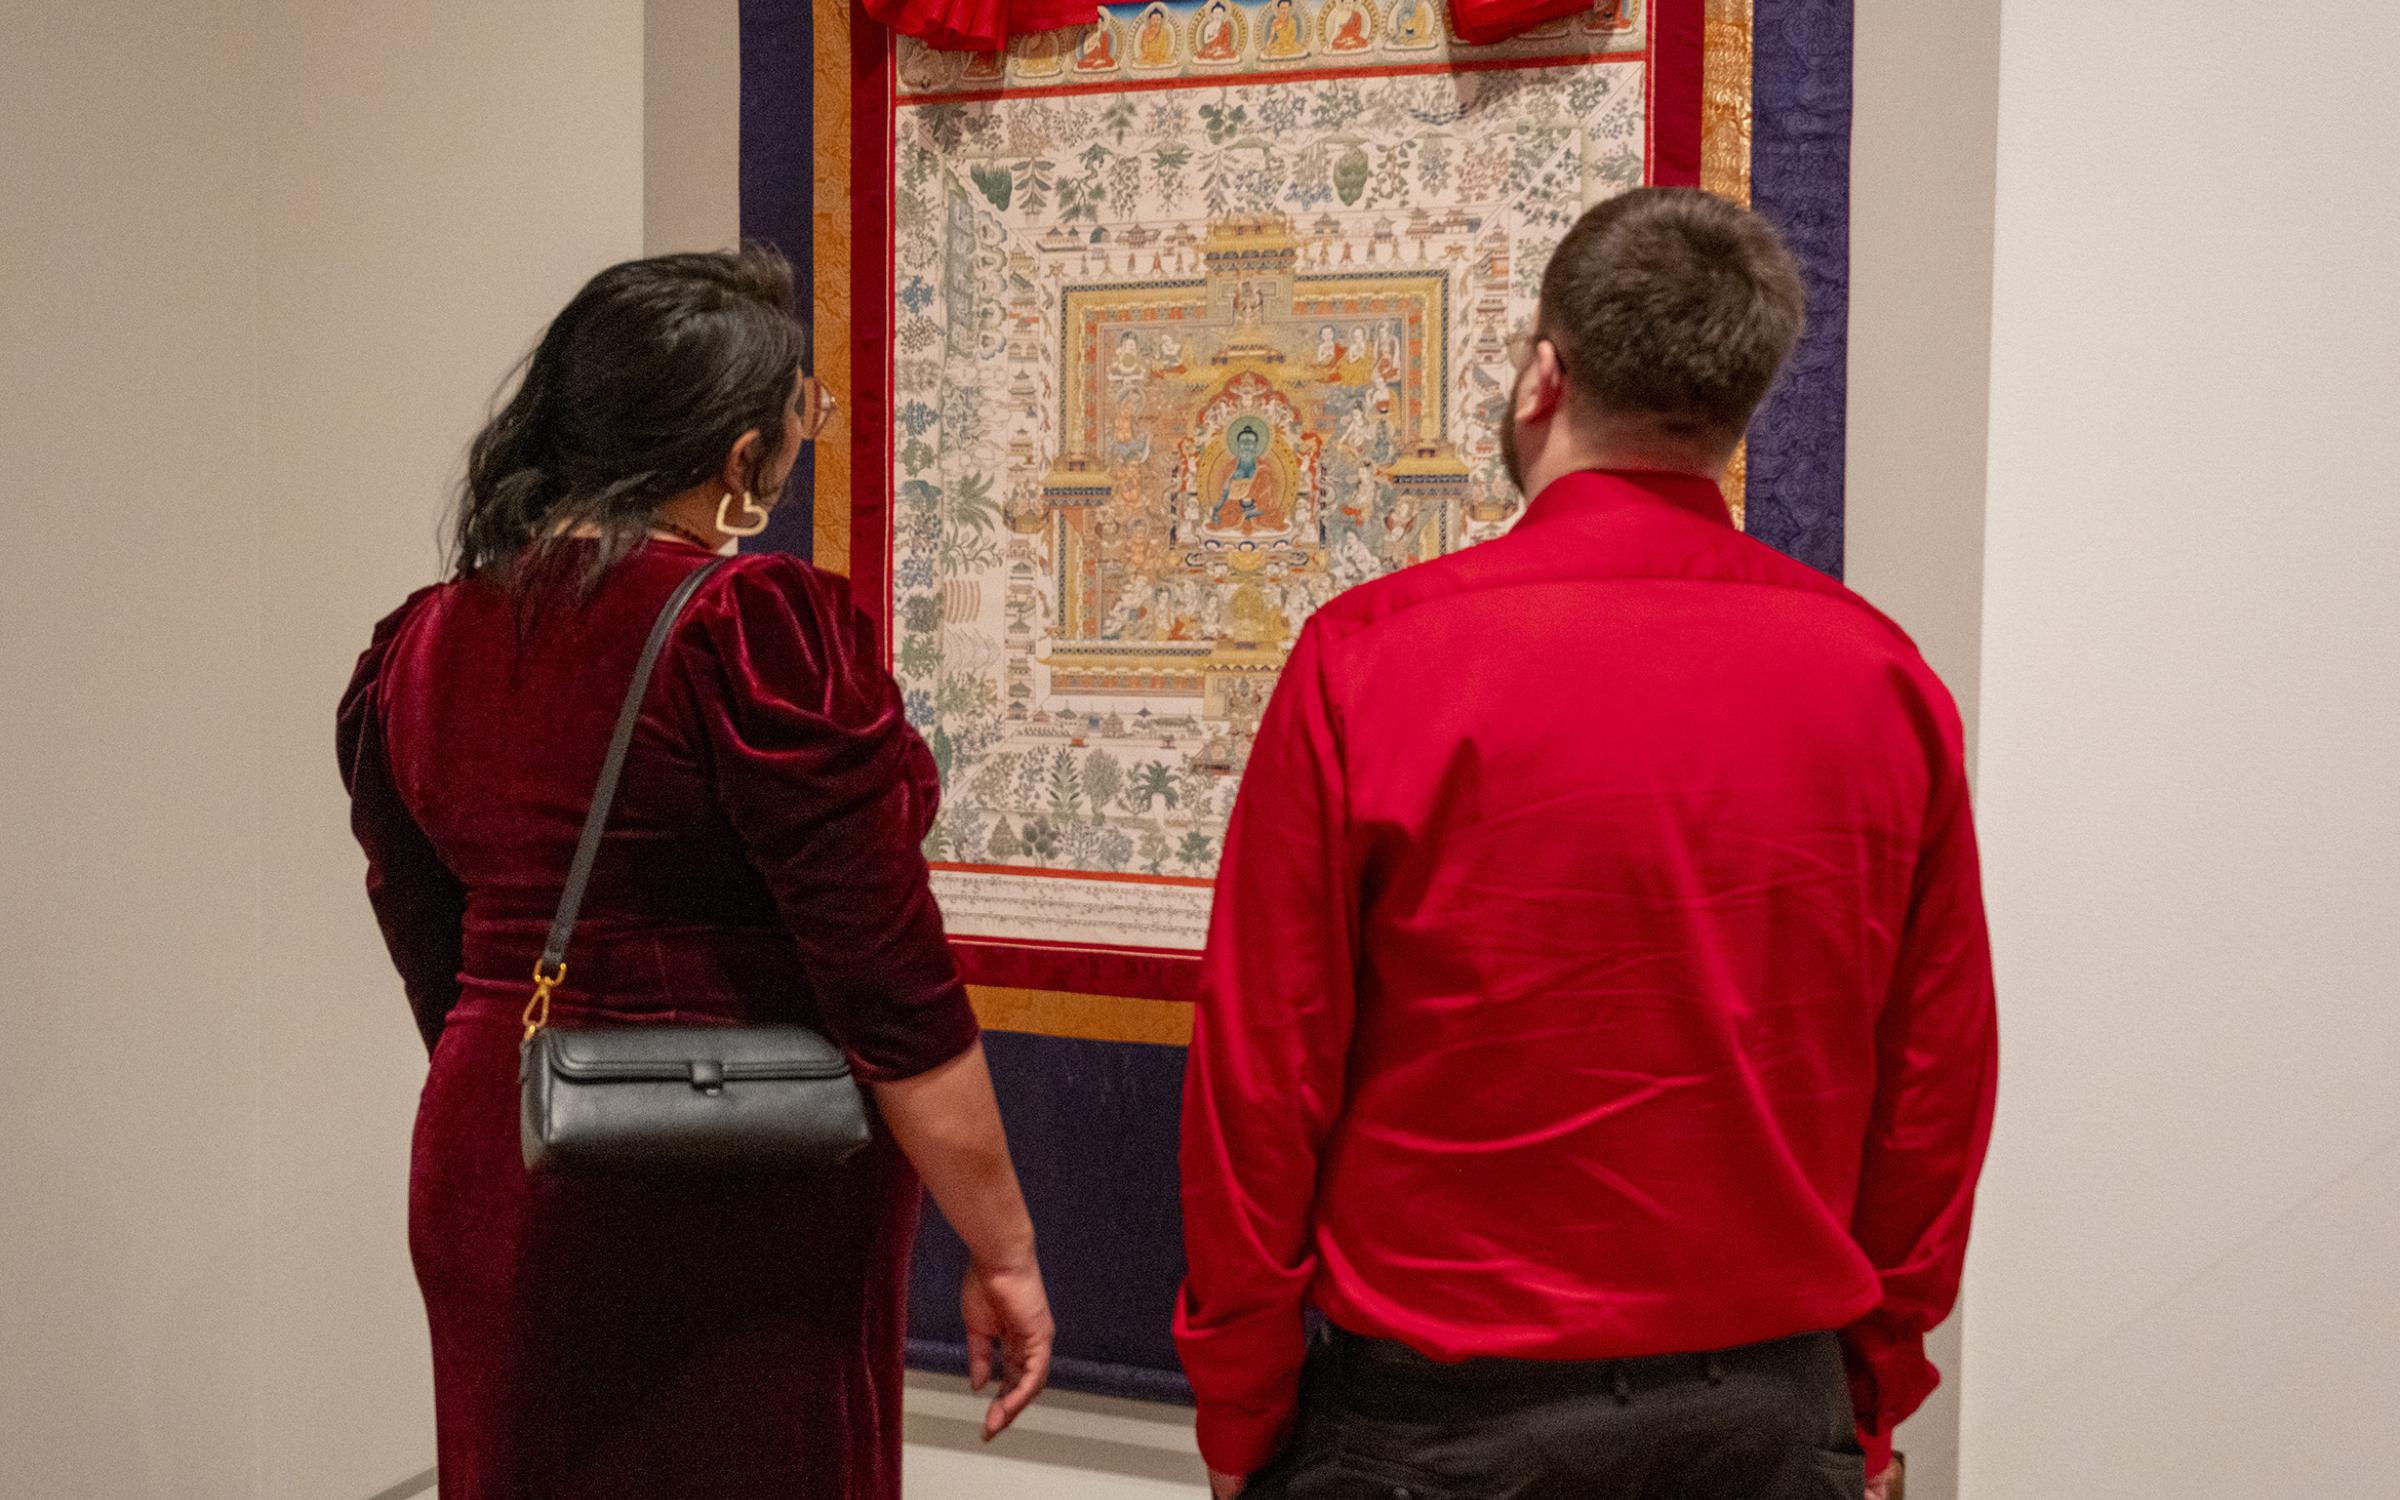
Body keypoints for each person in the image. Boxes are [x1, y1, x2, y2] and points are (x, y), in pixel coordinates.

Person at [1178, 187, 1997, 1500]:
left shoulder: (1371, 661)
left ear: (1542, 379)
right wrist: (1870, 1390)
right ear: (1737, 414)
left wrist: (1240, 1406)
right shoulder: (1883, 680)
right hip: (1768, 1416)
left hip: (1432, 1430)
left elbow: (1261, 1078)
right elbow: (1935, 1092)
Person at [339, 244, 1054, 1499]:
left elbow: (432, 950)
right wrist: (1005, 1245)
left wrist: (531, 1074)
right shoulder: (751, 627)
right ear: (739, 459)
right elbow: (888, 978)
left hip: (499, 1145)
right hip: (728, 1175)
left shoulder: (421, 641)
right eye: (799, 419)